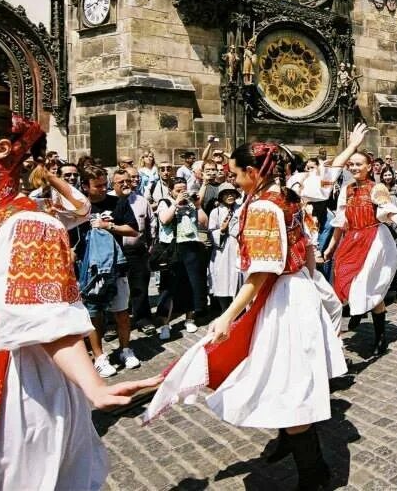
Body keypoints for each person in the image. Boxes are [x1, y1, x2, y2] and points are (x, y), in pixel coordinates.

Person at [0, 105, 159, 490]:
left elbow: (47, 319)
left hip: (9, 382)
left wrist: (93, 386)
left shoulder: (26, 223)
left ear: (1, 149)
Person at [143, 142, 346, 490]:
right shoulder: (284, 194)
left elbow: (262, 272)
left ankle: (314, 474)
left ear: (252, 173)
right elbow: (303, 241)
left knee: (287, 381)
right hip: (292, 292)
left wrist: (227, 316)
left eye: (235, 174)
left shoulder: (267, 205)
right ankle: (290, 441)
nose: (231, 180)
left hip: (283, 296)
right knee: (280, 373)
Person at [322, 127, 397, 356]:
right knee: (344, 283)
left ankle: (380, 336)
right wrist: (330, 247)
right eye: (352, 165)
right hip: (351, 240)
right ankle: (358, 310)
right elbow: (341, 221)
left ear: (370, 167)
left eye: (359, 164)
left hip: (373, 240)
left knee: (370, 288)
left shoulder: (376, 187)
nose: (355, 168)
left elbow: (390, 212)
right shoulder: (347, 189)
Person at [77, 167, 141, 376]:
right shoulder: (78, 207)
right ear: (85, 186)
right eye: (99, 186)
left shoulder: (117, 202)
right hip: (90, 271)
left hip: (116, 266)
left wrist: (108, 226)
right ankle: (100, 357)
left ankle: (125, 349)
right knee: (94, 315)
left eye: (106, 184)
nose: (104, 189)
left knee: (121, 312)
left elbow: (133, 230)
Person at [156, 177, 209, 337]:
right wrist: (176, 202)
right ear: (171, 191)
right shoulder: (165, 202)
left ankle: (189, 319)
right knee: (168, 287)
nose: (182, 193)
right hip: (172, 248)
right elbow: (164, 219)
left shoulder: (192, 203)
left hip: (191, 246)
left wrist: (198, 206)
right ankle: (165, 325)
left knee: (192, 284)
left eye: (183, 189)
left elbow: (204, 223)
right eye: (178, 190)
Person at [121, 166, 157, 333]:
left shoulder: (142, 201)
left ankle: (142, 319)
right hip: (117, 251)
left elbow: (151, 224)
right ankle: (112, 325)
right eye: (127, 179)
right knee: (115, 289)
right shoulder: (111, 200)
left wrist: (150, 246)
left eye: (134, 179)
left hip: (137, 251)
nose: (131, 182)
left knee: (140, 287)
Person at [208, 183, 243, 312]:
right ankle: (224, 310)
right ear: (221, 196)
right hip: (222, 251)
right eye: (226, 193)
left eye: (232, 193)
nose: (230, 196)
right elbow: (211, 233)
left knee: (238, 279)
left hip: (238, 248)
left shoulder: (241, 209)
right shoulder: (216, 212)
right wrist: (221, 231)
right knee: (223, 280)